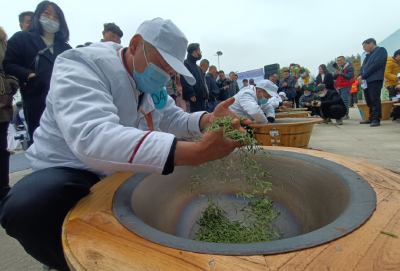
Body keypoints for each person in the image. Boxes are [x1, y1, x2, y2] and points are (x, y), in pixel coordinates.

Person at [0, 17, 252, 271]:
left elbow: (171, 117)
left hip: (120, 169)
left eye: (170, 72)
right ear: (135, 44)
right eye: (162, 66)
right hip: (71, 169)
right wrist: (195, 152)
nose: (164, 76)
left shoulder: (150, 82)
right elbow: (93, 138)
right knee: (28, 206)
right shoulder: (82, 64)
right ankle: (73, 262)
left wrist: (207, 120)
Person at [3, 1, 72, 145]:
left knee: (69, 138)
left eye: (56, 17)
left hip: (66, 99)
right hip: (38, 97)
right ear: (37, 15)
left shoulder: (65, 46)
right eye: (47, 13)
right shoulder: (21, 38)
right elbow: (9, 63)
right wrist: (30, 75)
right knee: (43, 139)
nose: (51, 18)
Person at [0, 27, 19, 201]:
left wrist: (10, 84)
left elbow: (9, 65)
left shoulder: (3, 42)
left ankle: (3, 186)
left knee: (1, 148)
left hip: (1, 101)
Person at [357, 38, 388, 127]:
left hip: (375, 79)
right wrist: (360, 76)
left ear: (371, 43)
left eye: (365, 46)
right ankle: (371, 117)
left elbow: (375, 65)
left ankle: (376, 119)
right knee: (369, 100)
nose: (364, 48)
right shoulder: (367, 56)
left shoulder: (380, 51)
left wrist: (363, 76)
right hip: (366, 80)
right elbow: (363, 68)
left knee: (375, 99)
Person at [181, 43, 208, 113]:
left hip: (200, 98)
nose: (200, 53)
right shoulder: (186, 64)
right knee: (192, 118)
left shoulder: (198, 67)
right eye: (199, 51)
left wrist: (205, 95)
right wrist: (191, 94)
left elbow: (202, 83)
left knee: (201, 117)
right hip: (193, 99)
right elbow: (185, 79)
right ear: (194, 52)